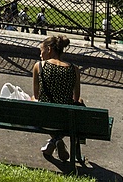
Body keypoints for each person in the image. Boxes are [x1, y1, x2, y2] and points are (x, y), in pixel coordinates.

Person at [32, 34, 82, 162]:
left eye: (41, 51)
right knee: (80, 103)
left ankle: (55, 140)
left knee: (33, 99)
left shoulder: (39, 66)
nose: (40, 55)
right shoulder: (74, 69)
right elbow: (76, 98)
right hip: (65, 120)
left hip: (44, 120)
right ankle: (57, 140)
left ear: (49, 49)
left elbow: (37, 96)